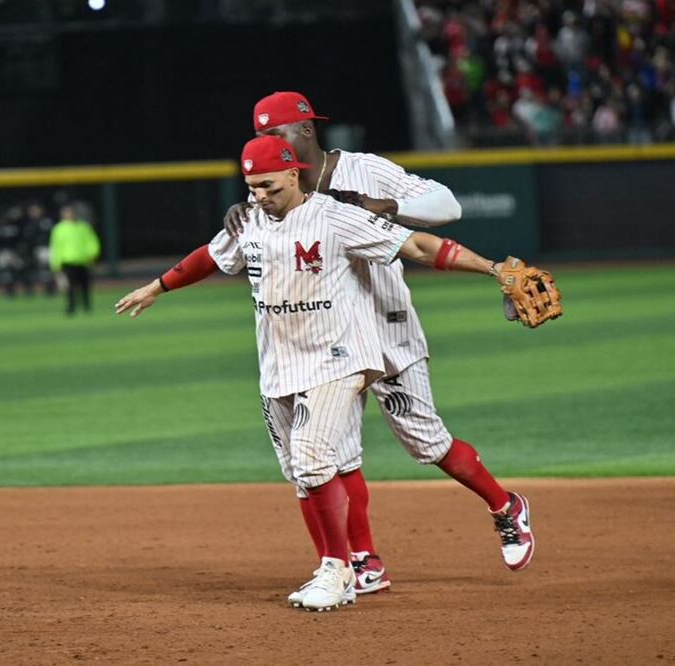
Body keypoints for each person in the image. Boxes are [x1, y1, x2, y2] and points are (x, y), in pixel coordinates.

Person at [117, 136, 539, 612]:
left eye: (269, 186)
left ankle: (337, 570)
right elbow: (210, 257)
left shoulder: (334, 216)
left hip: (338, 358)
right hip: (279, 367)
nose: (259, 196)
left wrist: (491, 269)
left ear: (294, 174)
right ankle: (352, 565)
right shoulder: (249, 220)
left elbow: (417, 244)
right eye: (252, 187)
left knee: (317, 457)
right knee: (306, 472)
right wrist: (157, 287)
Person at [224, 92, 535, 592]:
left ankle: (505, 505)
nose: (266, 145)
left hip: (386, 324)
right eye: (260, 137)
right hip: (327, 338)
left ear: (305, 130)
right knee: (337, 452)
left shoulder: (365, 170)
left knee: (425, 439)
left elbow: (447, 204)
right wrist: (241, 211)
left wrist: (394, 206)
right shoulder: (276, 188)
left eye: (273, 134)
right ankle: (364, 559)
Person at [49, 204, 101, 315]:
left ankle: (87, 306)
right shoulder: (59, 229)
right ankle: (71, 307)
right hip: (68, 261)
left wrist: (91, 255)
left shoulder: (83, 227)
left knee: (85, 286)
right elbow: (56, 247)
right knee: (69, 287)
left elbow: (92, 242)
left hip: (83, 261)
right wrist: (56, 263)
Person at [22, 200, 57, 296]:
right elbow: (28, 239)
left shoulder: (47, 221)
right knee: (42, 271)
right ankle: (45, 290)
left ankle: (52, 289)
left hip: (49, 247)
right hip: (38, 249)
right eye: (32, 211)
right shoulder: (29, 224)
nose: (34, 212)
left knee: (51, 270)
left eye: (36, 210)